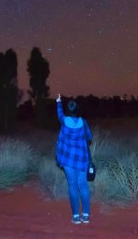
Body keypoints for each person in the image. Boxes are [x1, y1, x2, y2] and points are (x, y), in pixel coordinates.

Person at [55, 93, 93, 225]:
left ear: (68, 110)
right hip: (81, 158)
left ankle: (76, 217)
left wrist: (59, 102)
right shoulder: (83, 122)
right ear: (77, 109)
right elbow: (89, 137)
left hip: (68, 159)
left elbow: (59, 114)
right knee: (83, 185)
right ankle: (86, 216)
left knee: (72, 185)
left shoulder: (64, 121)